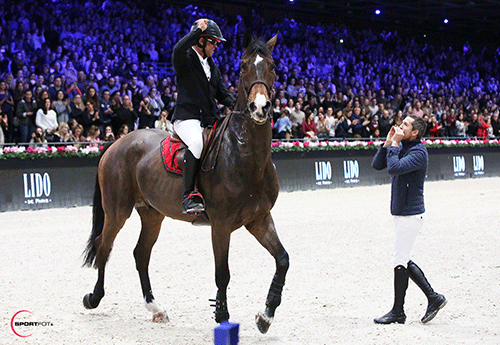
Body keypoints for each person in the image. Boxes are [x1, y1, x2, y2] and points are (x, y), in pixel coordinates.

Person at [372, 115, 447, 325]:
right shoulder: (401, 146)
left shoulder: (418, 152)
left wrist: (394, 145)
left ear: (414, 132)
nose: (399, 125)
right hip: (401, 211)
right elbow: (378, 165)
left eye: (405, 124)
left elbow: (394, 168)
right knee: (402, 258)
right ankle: (433, 297)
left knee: (399, 260)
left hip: (411, 213)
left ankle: (398, 312)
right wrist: (388, 143)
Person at [171, 18, 235, 214]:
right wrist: (195, 32)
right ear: (201, 40)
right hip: (187, 118)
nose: (216, 46)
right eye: (213, 42)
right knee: (197, 144)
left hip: (208, 119)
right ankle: (188, 196)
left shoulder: (211, 66)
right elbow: (176, 51)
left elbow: (222, 94)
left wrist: (240, 106)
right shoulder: (186, 59)